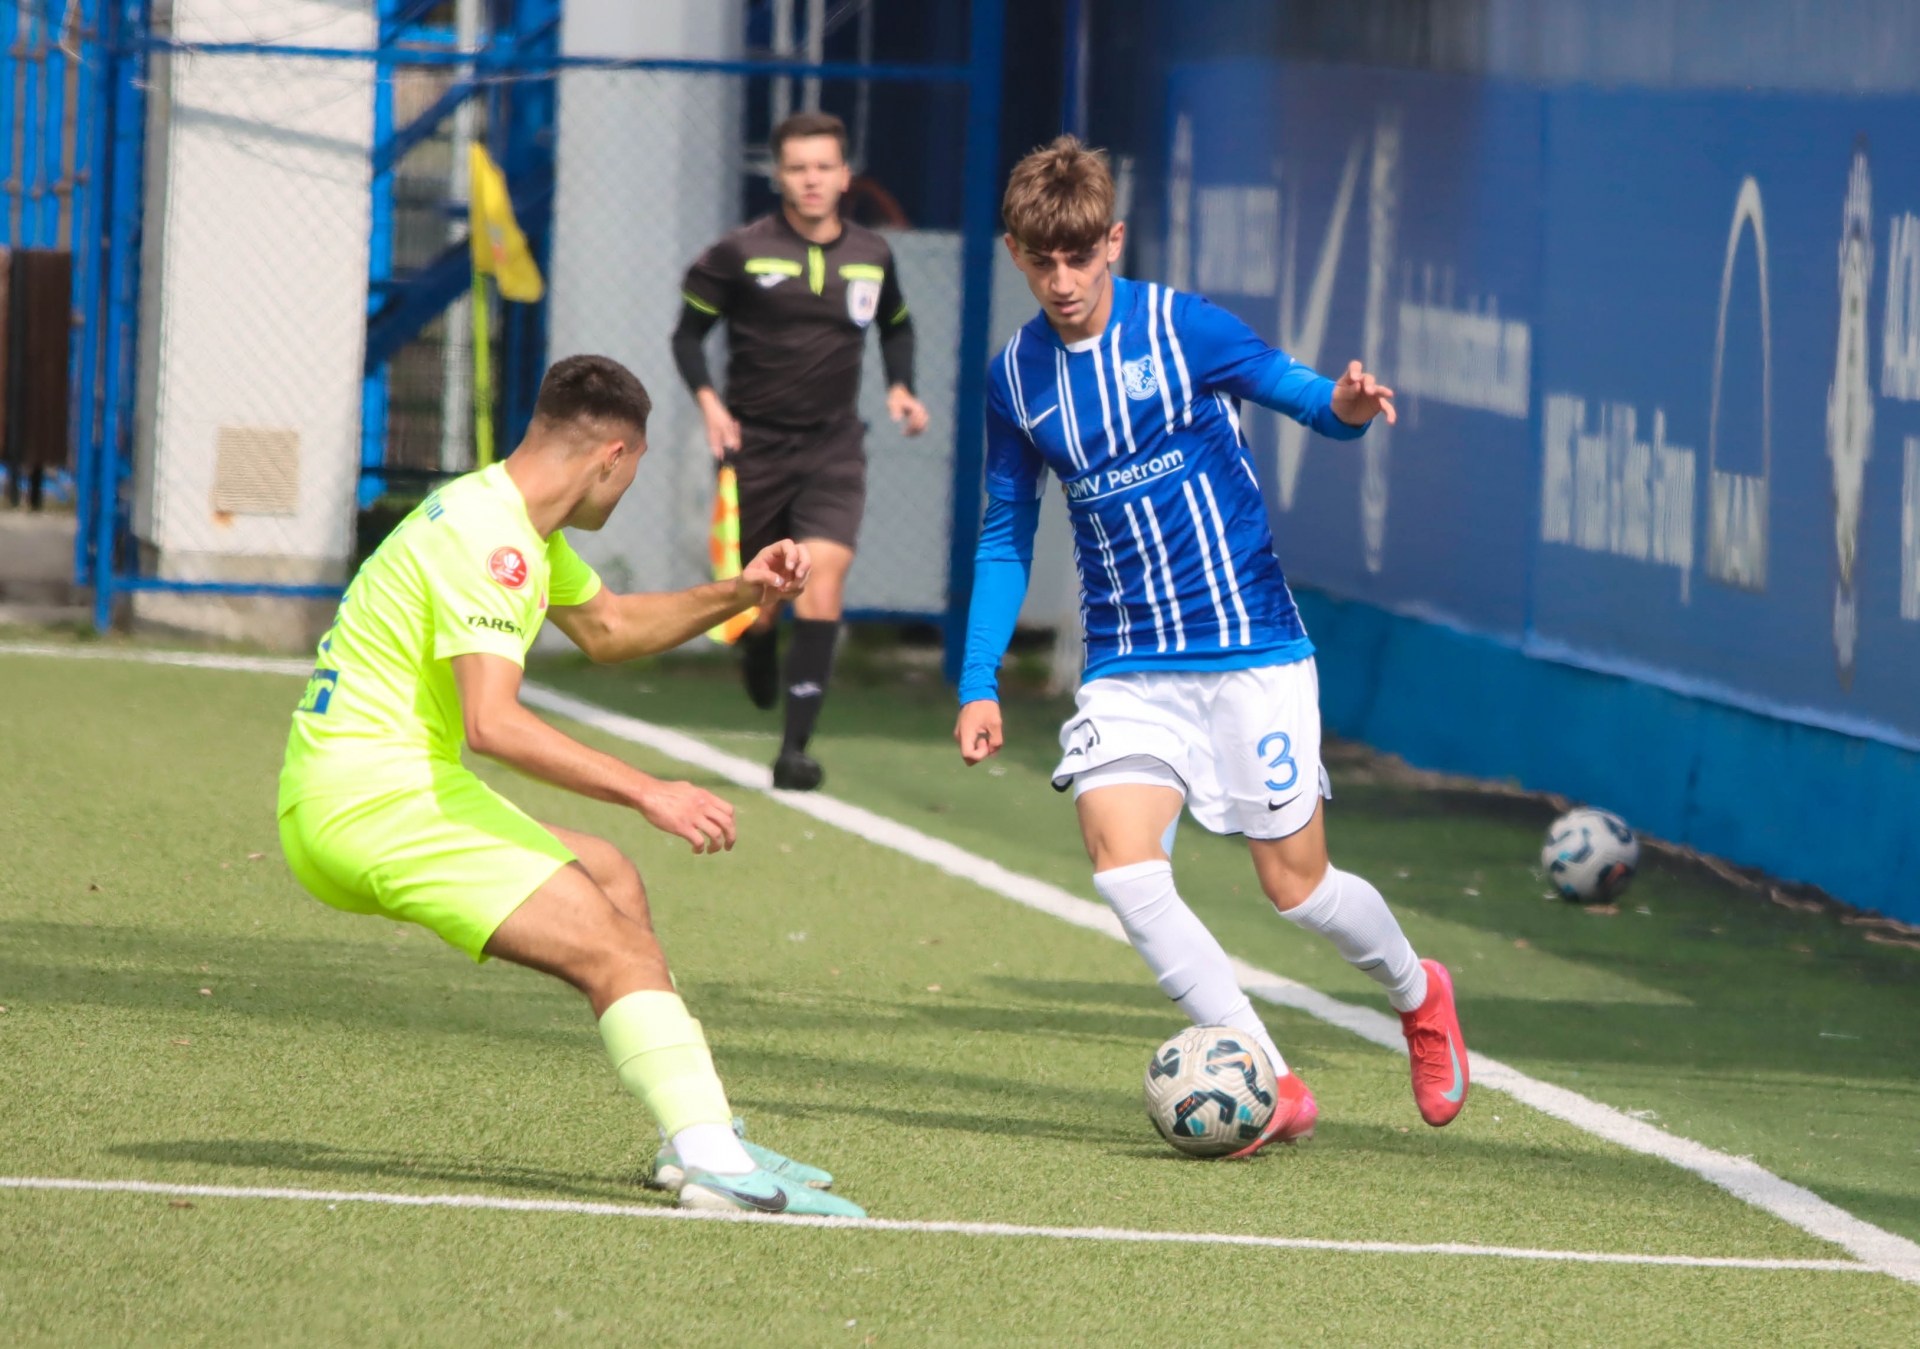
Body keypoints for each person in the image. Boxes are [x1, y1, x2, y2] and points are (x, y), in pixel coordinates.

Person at [954, 138, 1469, 1152]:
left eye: (1079, 257)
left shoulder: (1183, 327)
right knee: (1122, 862)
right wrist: (979, 679)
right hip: (1129, 667)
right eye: (1041, 261)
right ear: (1015, 253)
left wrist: (1348, 408)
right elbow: (1007, 531)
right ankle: (1271, 1081)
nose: (1063, 280)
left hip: (1251, 652)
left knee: (1297, 889)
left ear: (1113, 242)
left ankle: (1420, 992)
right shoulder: (1015, 376)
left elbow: (1304, 395)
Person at [277, 355, 863, 1217]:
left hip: (382, 787)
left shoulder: (508, 518)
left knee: (612, 880)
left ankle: (694, 1135)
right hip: (371, 805)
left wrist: (740, 590)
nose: (628, 484)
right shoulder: (493, 541)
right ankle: (712, 1163)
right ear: (612, 458)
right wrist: (649, 790)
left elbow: (610, 626)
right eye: (636, 467)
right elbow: (493, 723)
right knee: (615, 950)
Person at [673, 110, 930, 791]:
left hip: (833, 448)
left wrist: (901, 387)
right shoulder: (739, 252)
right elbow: (687, 336)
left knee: (822, 577)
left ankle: (794, 751)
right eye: (797, 168)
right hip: (754, 446)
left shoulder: (872, 253)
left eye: (823, 167)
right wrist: (710, 405)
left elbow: (896, 326)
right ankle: (758, 640)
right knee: (762, 596)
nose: (811, 179)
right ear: (779, 176)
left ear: (845, 176)